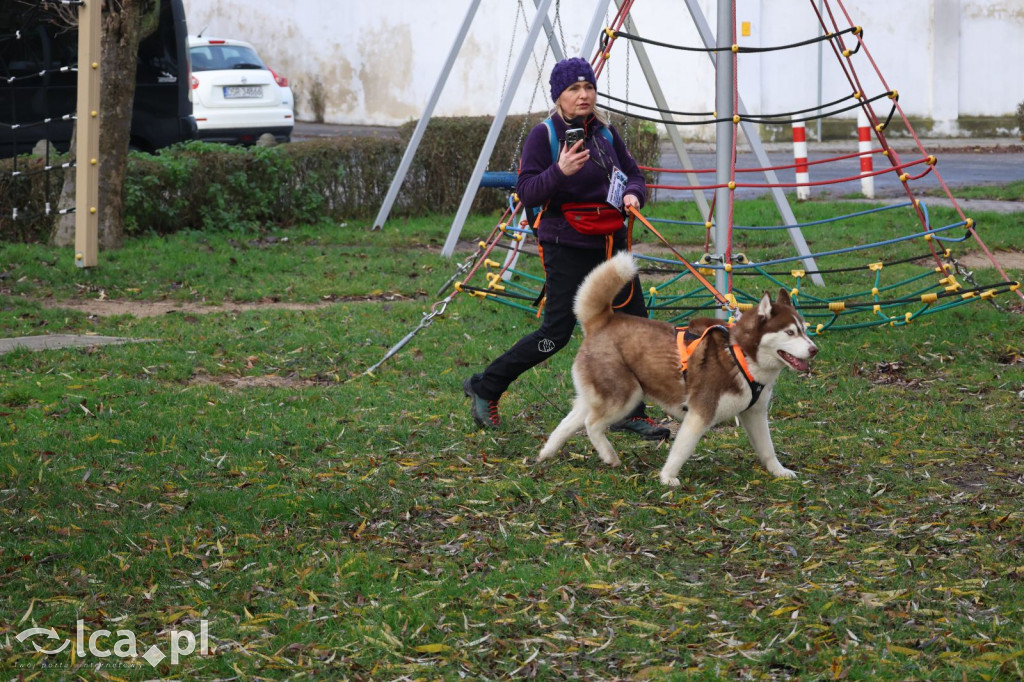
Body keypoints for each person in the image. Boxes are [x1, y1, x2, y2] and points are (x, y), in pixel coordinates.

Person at [463, 57, 670, 441]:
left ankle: (631, 411)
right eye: (574, 89)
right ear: (558, 95)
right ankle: (486, 386)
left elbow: (635, 174)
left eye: (588, 87)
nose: (584, 95)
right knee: (555, 334)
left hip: (611, 244)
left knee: (635, 330)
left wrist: (632, 194)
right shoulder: (544, 136)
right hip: (566, 245)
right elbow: (526, 192)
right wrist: (560, 172)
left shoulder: (606, 133)